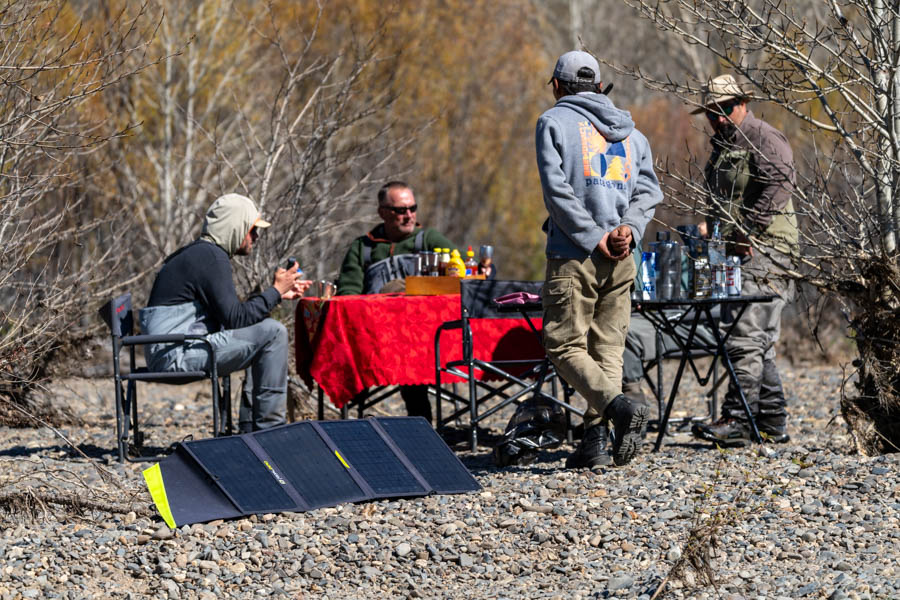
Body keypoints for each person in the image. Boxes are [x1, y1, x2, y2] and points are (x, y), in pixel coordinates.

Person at [536, 51, 663, 468]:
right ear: (599, 86)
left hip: (575, 252)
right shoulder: (634, 134)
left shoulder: (552, 123)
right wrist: (628, 227)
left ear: (558, 86)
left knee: (563, 344)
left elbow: (557, 193)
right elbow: (649, 191)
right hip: (624, 252)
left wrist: (594, 237)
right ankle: (595, 444)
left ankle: (616, 407)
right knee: (607, 347)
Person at [139, 193, 310, 433]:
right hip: (174, 355)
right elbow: (235, 319)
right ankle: (271, 432)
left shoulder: (202, 254)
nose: (256, 237)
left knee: (265, 333)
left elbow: (233, 317)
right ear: (235, 226)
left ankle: (254, 430)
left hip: (174, 349)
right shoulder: (210, 257)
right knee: (273, 333)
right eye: (252, 230)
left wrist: (278, 295)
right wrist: (274, 291)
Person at [689, 74, 798, 446]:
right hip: (732, 250)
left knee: (744, 336)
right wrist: (712, 224)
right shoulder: (722, 145)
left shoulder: (764, 136)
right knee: (757, 339)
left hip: (767, 250)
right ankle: (770, 421)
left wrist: (748, 230)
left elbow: (782, 183)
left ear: (742, 104)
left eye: (725, 108)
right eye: (711, 111)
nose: (718, 117)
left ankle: (736, 420)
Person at [336, 181, 492, 422]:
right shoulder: (363, 247)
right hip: (376, 334)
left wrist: (481, 268)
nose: (408, 215)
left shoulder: (428, 239)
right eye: (400, 210)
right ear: (382, 212)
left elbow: (465, 268)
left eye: (412, 208)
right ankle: (354, 420)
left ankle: (420, 422)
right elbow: (348, 292)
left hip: (424, 338)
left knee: (410, 349)